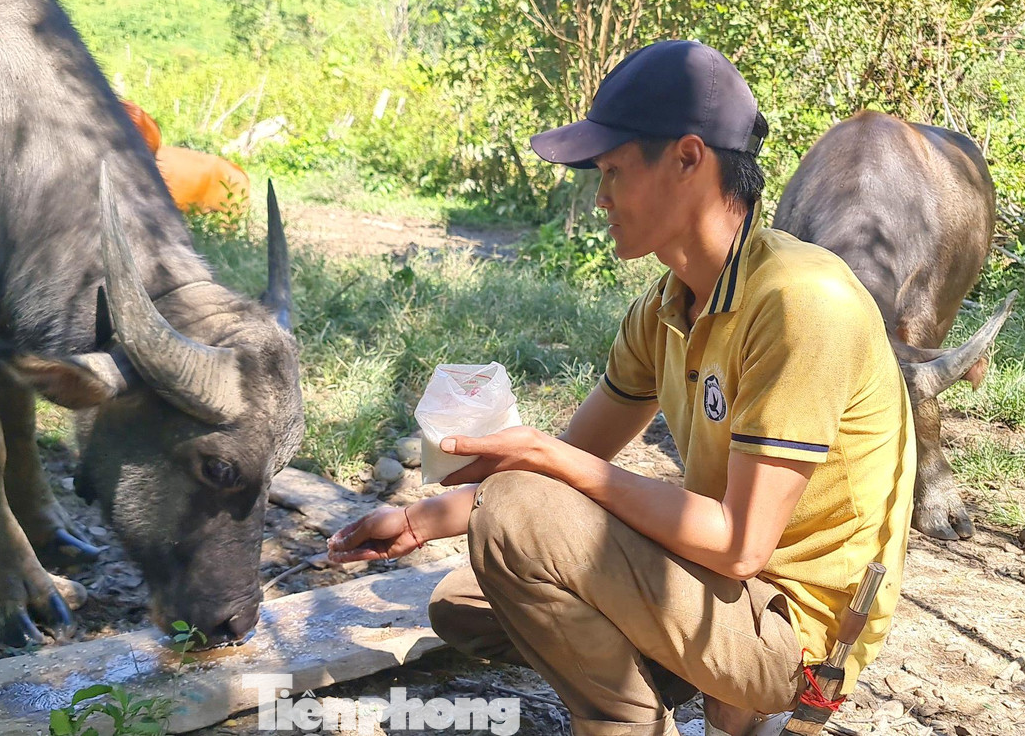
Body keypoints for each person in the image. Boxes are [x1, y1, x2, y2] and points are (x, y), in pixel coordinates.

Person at [328, 41, 916, 736]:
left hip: (797, 634)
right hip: (719, 591)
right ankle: (680, 689)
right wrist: (423, 520)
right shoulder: (667, 306)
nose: (600, 197)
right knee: (467, 596)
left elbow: (738, 546)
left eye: (612, 171)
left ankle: (648, 721)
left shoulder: (799, 301)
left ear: (689, 159)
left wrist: (542, 459)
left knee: (514, 514)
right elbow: (574, 465)